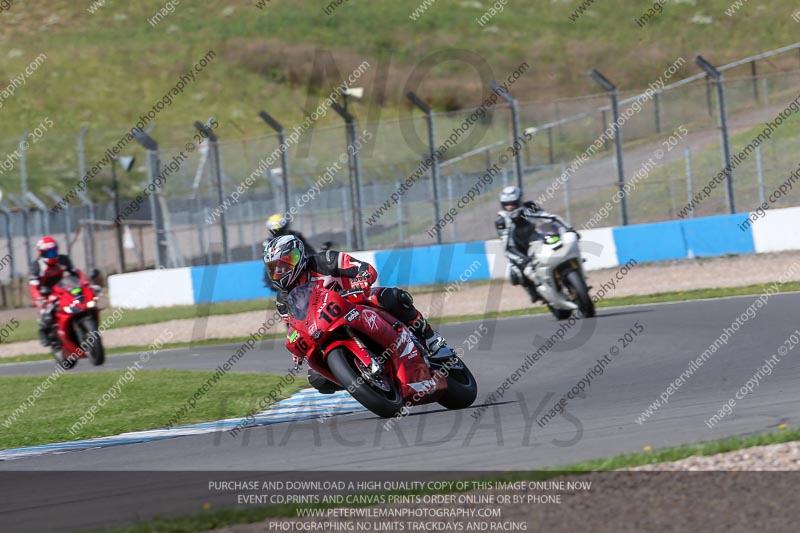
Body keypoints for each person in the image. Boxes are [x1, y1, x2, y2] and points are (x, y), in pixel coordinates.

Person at [264, 235, 454, 391]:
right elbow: (294, 328)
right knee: (317, 378)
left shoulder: (325, 261)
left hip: (356, 301)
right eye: (275, 268)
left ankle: (431, 339)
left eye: (285, 263)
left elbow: (364, 268)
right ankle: (359, 380)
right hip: (325, 327)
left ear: (299, 255)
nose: (280, 271)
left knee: (392, 297)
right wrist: (297, 351)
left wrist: (362, 278)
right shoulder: (283, 301)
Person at [494, 186, 571, 302]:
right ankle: (534, 292)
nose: (509, 207)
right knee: (517, 273)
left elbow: (548, 217)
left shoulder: (530, 207)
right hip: (518, 251)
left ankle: (568, 276)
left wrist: (566, 229)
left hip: (535, 241)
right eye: (506, 204)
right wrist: (523, 260)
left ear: (519, 201)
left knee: (557, 251)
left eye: (512, 204)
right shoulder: (501, 221)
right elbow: (506, 247)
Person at [28, 236, 83, 348]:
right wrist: (39, 298)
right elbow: (33, 286)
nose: (52, 255)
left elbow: (77, 274)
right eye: (49, 253)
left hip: (62, 289)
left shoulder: (63, 260)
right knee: (47, 314)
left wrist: (84, 284)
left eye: (54, 252)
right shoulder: (36, 266)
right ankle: (43, 331)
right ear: (41, 253)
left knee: (79, 301)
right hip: (45, 293)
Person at [262, 214, 316, 288]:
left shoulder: (295, 236)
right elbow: (267, 262)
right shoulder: (267, 243)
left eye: (280, 229)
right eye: (275, 231)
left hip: (298, 264)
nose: (278, 232)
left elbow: (309, 250)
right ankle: (273, 283)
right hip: (280, 270)